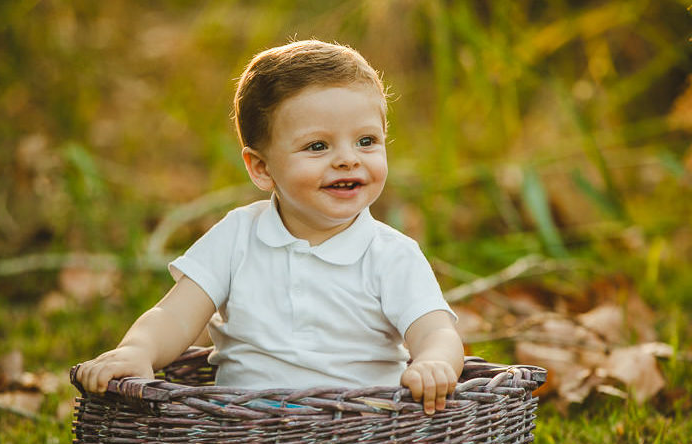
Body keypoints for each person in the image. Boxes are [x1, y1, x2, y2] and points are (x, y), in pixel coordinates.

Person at [76, 40, 463, 415]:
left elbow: (435, 332)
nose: (347, 160)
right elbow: (174, 316)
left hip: (360, 435)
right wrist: (136, 351)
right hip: (247, 433)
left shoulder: (392, 254)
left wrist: (433, 363)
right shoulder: (237, 236)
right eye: (317, 146)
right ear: (261, 168)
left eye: (366, 141)